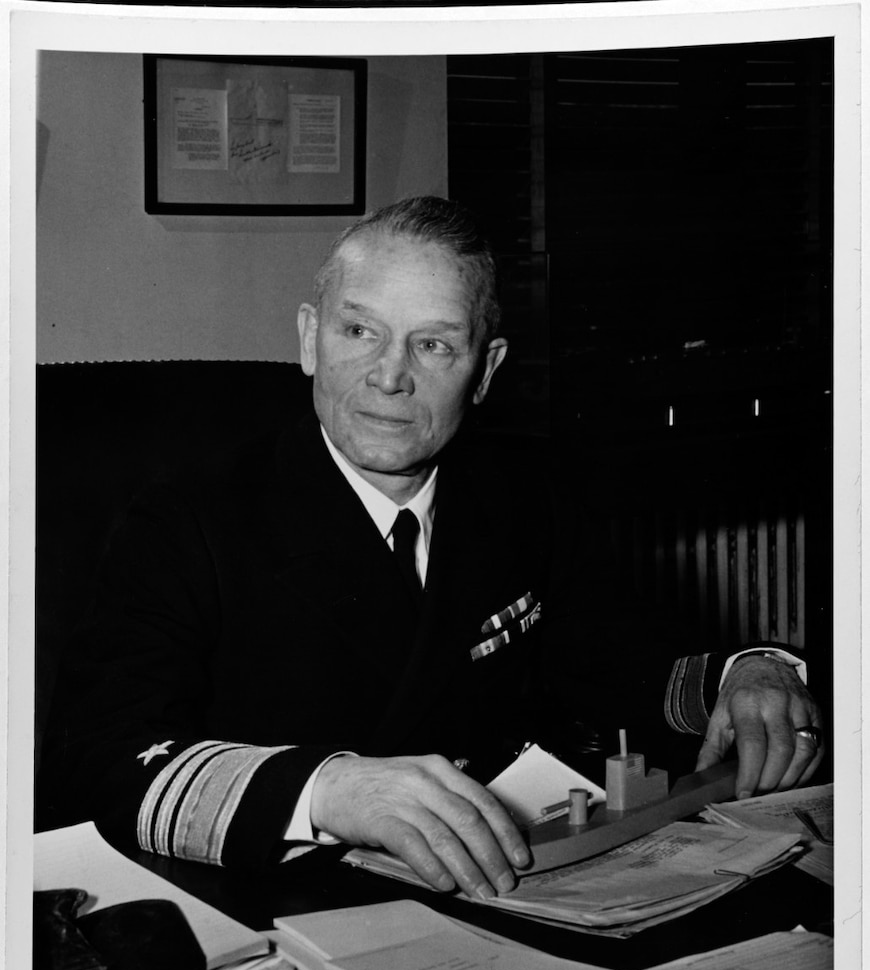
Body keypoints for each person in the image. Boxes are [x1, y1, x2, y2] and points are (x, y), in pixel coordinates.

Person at [38, 196, 824, 902]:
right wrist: (324, 790)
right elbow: (103, 757)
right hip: (282, 903)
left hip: (496, 887)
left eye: (435, 346)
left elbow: (614, 658)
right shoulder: (189, 519)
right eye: (358, 330)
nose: (389, 376)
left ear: (486, 371)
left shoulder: (523, 495)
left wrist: (746, 671)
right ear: (310, 339)